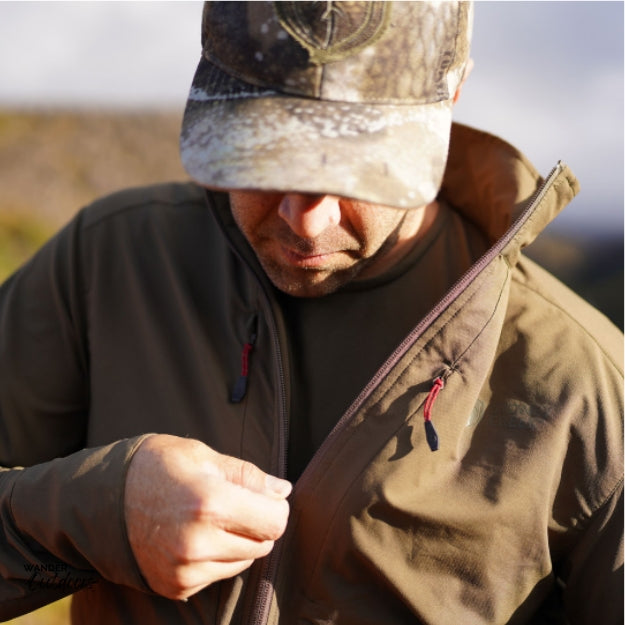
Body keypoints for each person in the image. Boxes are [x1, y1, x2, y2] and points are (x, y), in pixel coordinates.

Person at [0, 2, 622, 624]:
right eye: (268, 152)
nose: (307, 219)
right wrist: (92, 513)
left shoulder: (584, 386)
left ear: (453, 91)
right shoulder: (109, 261)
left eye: (359, 167)